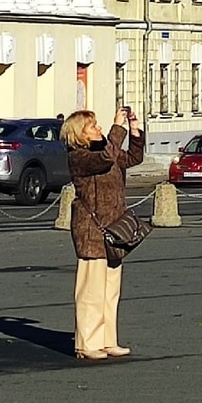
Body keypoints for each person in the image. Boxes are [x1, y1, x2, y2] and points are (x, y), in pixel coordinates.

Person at [61, 107, 144, 360]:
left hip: (114, 227)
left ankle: (108, 340)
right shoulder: (80, 156)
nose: (99, 128)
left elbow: (132, 158)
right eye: (93, 126)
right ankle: (87, 343)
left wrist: (134, 130)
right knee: (91, 289)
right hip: (91, 229)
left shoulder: (106, 150)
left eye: (98, 125)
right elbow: (108, 158)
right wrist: (116, 128)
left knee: (110, 289)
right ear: (81, 135)